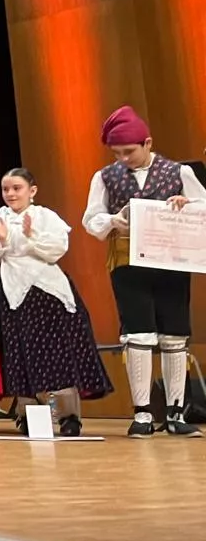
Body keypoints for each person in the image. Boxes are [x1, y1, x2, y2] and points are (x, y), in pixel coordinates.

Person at [82, 105, 204, 437]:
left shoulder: (179, 172)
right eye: (116, 153)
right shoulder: (104, 177)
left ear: (147, 143)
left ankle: (177, 413)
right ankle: (143, 414)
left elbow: (204, 207)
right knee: (137, 332)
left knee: (174, 333)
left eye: (128, 151)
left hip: (171, 261)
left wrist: (187, 205)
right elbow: (91, 219)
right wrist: (113, 221)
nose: (122, 158)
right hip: (127, 262)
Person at [0, 168, 110, 437]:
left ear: (32, 190)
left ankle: (69, 416)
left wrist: (30, 238)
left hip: (48, 295)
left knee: (58, 354)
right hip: (12, 295)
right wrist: (4, 241)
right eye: (6, 189)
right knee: (22, 355)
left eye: (16, 188)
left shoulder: (46, 217)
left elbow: (56, 250)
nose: (10, 194)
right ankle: (29, 415)